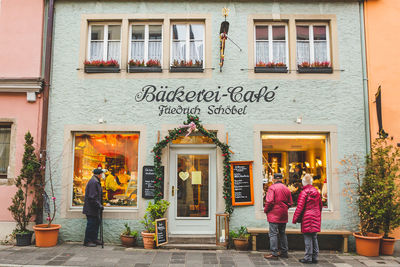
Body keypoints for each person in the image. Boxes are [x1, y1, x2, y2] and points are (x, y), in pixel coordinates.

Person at [292, 174, 322, 264]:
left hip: (307, 217)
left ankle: (308, 257)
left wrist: (295, 218)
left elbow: (300, 207)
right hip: (315, 216)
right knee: (314, 237)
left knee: (308, 237)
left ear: (303, 183)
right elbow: (320, 205)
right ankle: (315, 257)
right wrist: (317, 214)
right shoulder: (316, 191)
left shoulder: (304, 193)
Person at [263, 173, 293, 260]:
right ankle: (284, 252)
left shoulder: (272, 188)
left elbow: (269, 201)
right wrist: (284, 208)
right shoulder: (286, 188)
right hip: (283, 214)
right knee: (282, 233)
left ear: (274, 179)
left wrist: (266, 210)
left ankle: (274, 253)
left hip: (274, 214)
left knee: (273, 233)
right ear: (282, 179)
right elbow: (290, 203)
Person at [83, 168, 104, 247]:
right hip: (91, 208)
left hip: (94, 208)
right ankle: (87, 241)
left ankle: (94, 239)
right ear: (98, 174)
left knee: (96, 224)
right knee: (91, 225)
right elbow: (92, 197)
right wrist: (99, 205)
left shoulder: (96, 181)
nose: (102, 175)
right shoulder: (93, 182)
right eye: (101, 174)